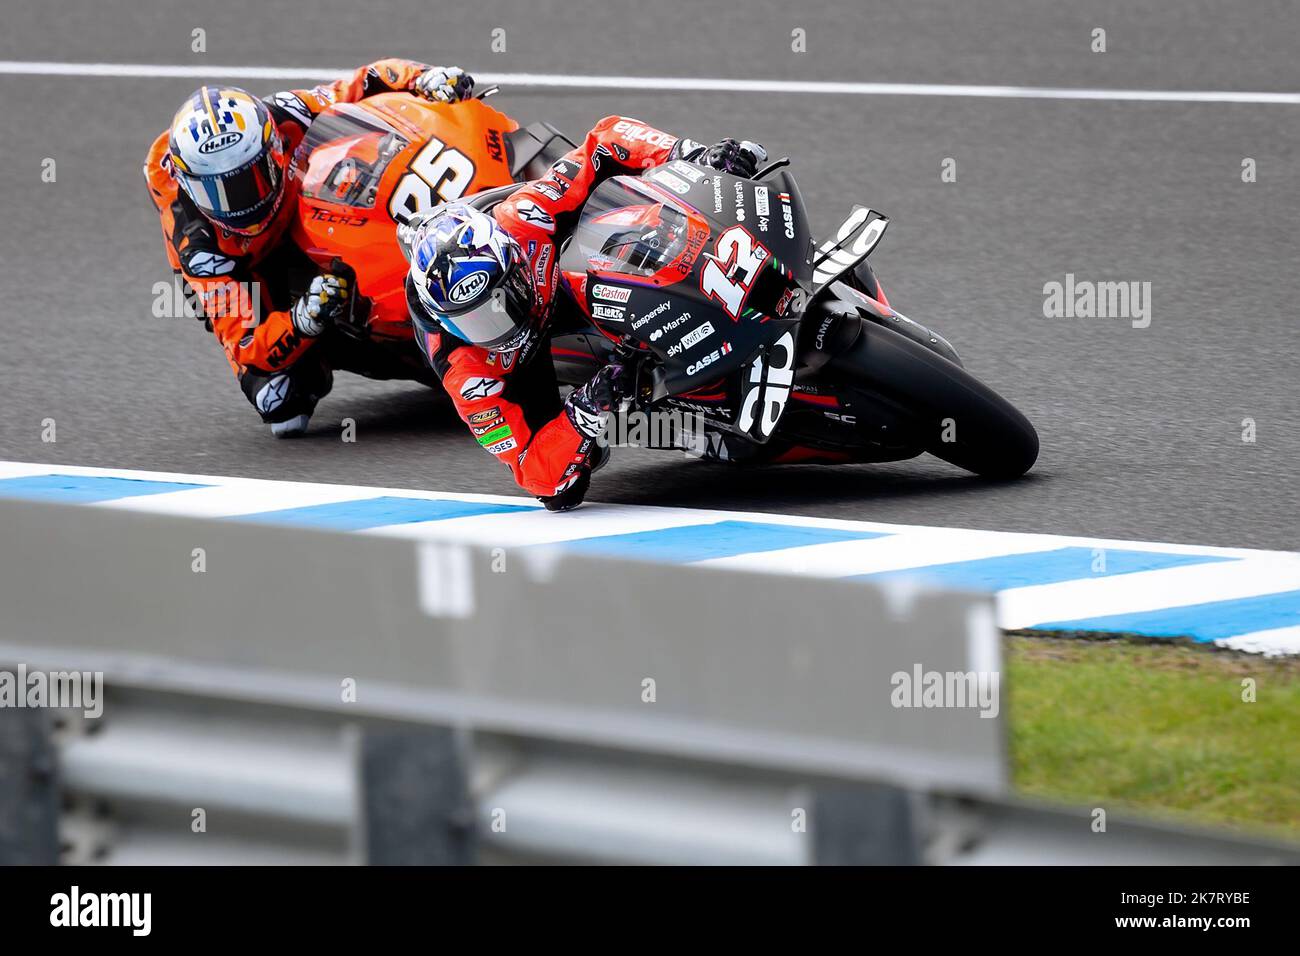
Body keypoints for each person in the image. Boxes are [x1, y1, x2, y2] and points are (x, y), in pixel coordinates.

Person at [404, 116, 765, 510]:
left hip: (559, 275)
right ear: (445, 320)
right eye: (474, 320)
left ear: (514, 263)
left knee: (640, 212)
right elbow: (533, 471)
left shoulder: (523, 218)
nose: (501, 323)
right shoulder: (468, 374)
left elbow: (605, 138)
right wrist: (585, 411)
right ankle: (667, 413)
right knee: (562, 491)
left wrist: (692, 158)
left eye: (502, 298)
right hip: (518, 365)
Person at [144, 61, 475, 436]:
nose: (240, 202)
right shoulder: (200, 249)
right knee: (280, 400)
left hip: (297, 205)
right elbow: (248, 342)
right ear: (190, 186)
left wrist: (424, 78)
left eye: (252, 177)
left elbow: (362, 82)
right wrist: (304, 319)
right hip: (246, 265)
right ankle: (384, 346)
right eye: (216, 192)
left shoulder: (281, 113)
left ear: (271, 148)